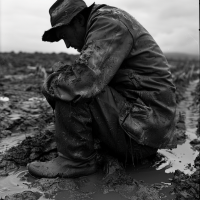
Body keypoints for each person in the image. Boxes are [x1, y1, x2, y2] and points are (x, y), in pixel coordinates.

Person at [27, 0, 177, 178]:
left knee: (68, 83)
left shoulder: (108, 23)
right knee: (68, 80)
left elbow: (80, 83)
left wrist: (49, 84)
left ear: (79, 21)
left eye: (65, 36)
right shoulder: (109, 19)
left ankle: (75, 161)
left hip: (140, 137)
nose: (67, 45)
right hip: (145, 131)